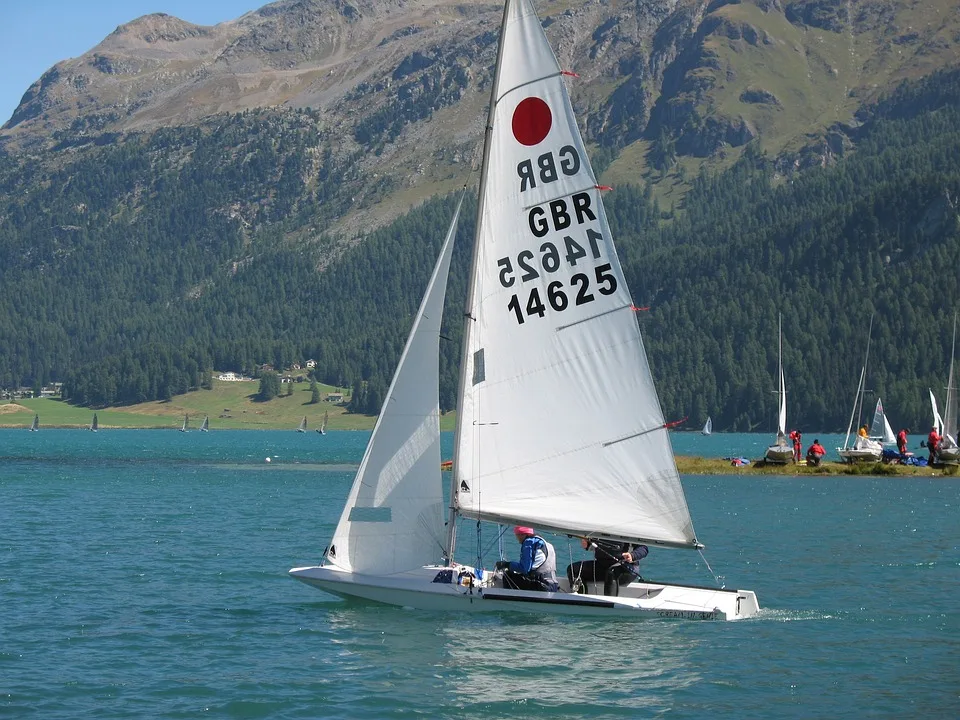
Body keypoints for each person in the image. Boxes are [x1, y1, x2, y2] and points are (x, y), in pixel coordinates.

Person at [566, 537, 648, 596]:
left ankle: (609, 606)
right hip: (603, 565)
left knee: (611, 572)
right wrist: (587, 544)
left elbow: (644, 548)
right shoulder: (600, 527)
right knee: (573, 569)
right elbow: (594, 544)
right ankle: (581, 600)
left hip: (627, 568)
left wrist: (632, 555)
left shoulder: (627, 529)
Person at [495, 526, 559, 592]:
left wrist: (506, 564)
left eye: (517, 535)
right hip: (553, 585)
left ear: (522, 534)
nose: (518, 540)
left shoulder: (529, 542)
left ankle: (508, 600)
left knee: (508, 576)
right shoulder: (546, 544)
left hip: (541, 586)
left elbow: (524, 569)